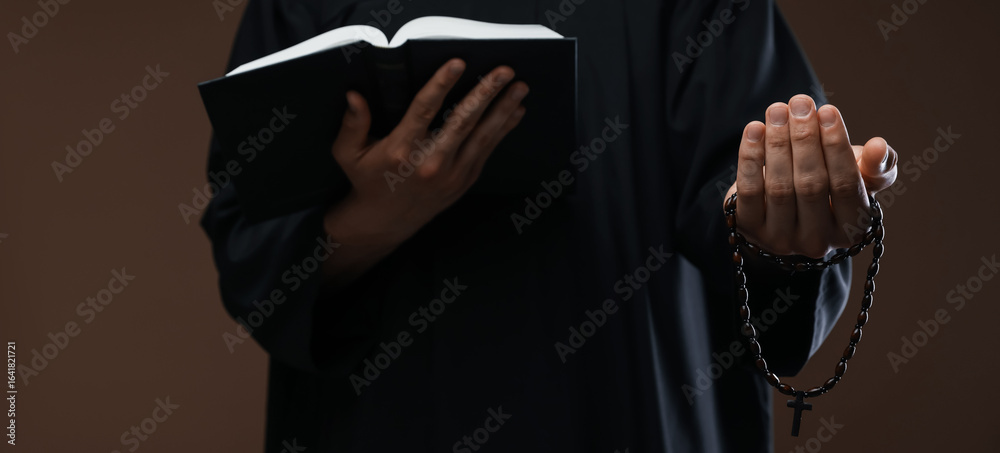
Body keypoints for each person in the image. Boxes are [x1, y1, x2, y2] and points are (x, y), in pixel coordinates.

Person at [201, 0, 898, 452]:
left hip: (633, 412)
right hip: (386, 420)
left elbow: (753, 212)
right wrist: (375, 218)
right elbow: (252, 245)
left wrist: (789, 217)